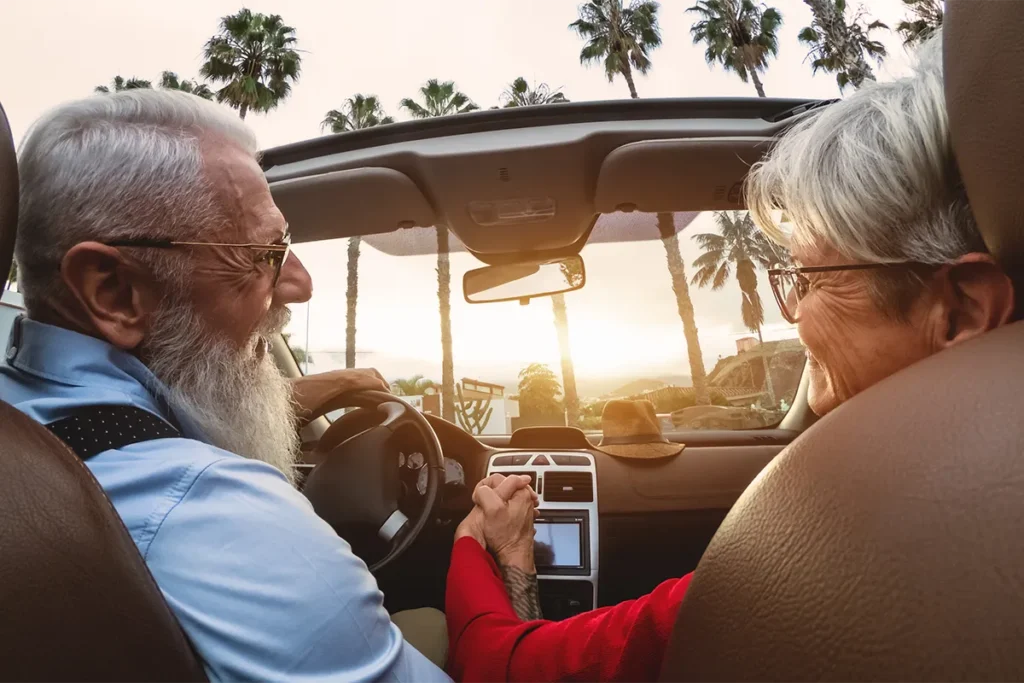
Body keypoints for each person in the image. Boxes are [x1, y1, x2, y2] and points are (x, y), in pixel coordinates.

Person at [444, 30, 1019, 683]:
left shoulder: (810, 567)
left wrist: (486, 549)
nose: (793, 314)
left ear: (962, 312)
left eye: (808, 279)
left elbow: (503, 669)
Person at [0, 90, 451, 681]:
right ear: (114, 291)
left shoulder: (23, 428)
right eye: (262, 253)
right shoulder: (228, 518)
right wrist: (499, 566)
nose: (299, 283)